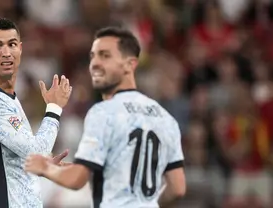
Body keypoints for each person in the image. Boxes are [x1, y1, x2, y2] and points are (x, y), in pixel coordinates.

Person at [25, 26, 186, 208]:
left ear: (130, 64)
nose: (95, 64)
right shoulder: (165, 117)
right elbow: (177, 188)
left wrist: (45, 168)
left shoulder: (103, 112)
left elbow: (77, 180)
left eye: (105, 56)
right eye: (93, 56)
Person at [0, 17, 72, 208]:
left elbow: (12, 157)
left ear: (20, 48)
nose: (6, 53)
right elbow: (36, 149)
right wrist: (54, 108)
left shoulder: (6, 97)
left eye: (11, 44)